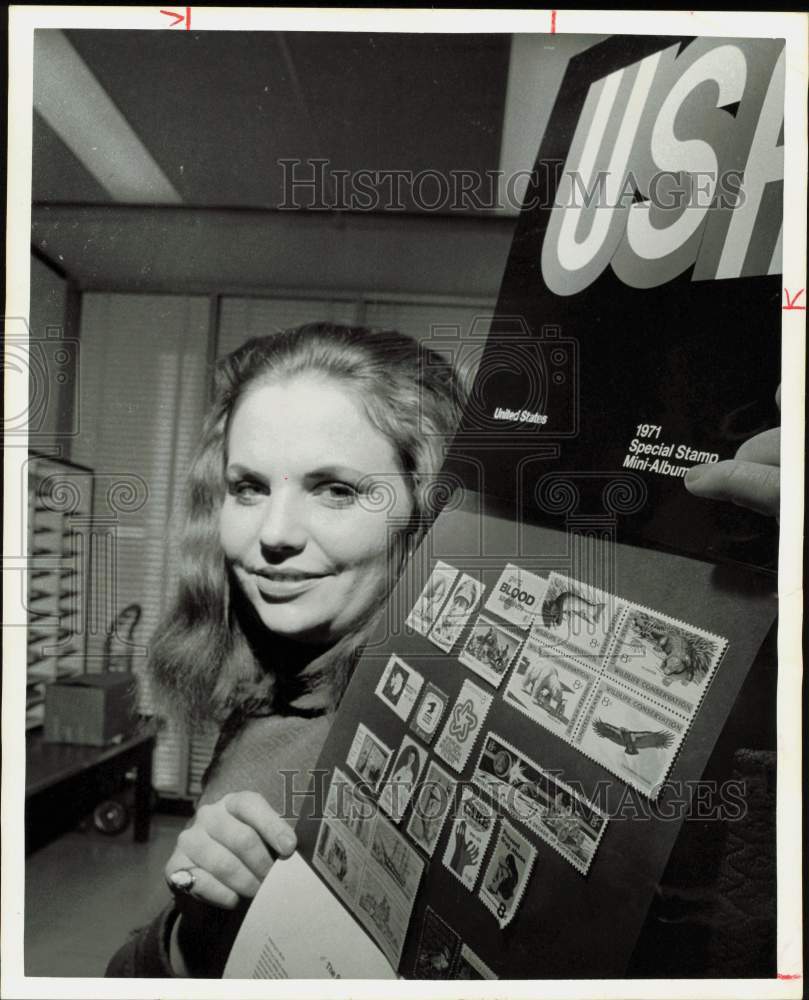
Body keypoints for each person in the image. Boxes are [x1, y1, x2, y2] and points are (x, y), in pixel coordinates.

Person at [106, 322, 466, 977]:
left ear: (426, 510)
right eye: (248, 488)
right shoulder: (277, 674)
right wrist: (194, 934)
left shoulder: (427, 746)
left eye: (335, 489)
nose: (272, 534)